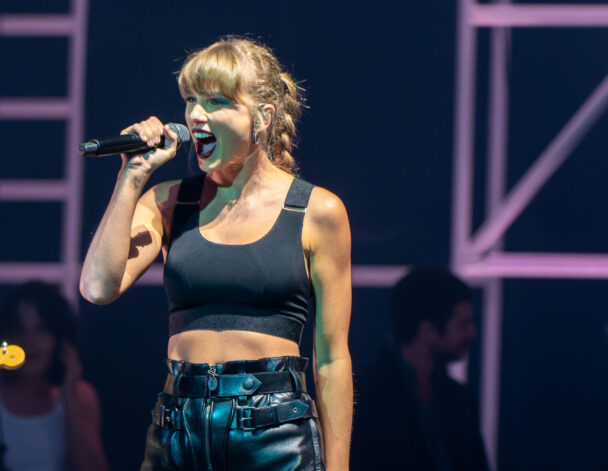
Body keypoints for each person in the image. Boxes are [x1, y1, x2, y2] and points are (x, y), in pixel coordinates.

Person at [80, 36, 352, 470]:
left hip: (273, 430)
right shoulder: (169, 202)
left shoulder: (317, 211)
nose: (196, 115)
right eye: (191, 100)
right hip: (177, 429)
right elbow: (97, 287)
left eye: (217, 101)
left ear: (261, 117)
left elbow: (333, 358)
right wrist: (132, 177)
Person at [0, 281, 108, 471]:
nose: (29, 341)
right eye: (19, 330)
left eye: (40, 330)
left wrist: (70, 401)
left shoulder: (82, 397)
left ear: (59, 338)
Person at [351, 267, 488, 471]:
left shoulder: (461, 401)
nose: (472, 333)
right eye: (463, 323)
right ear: (428, 330)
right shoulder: (363, 398)